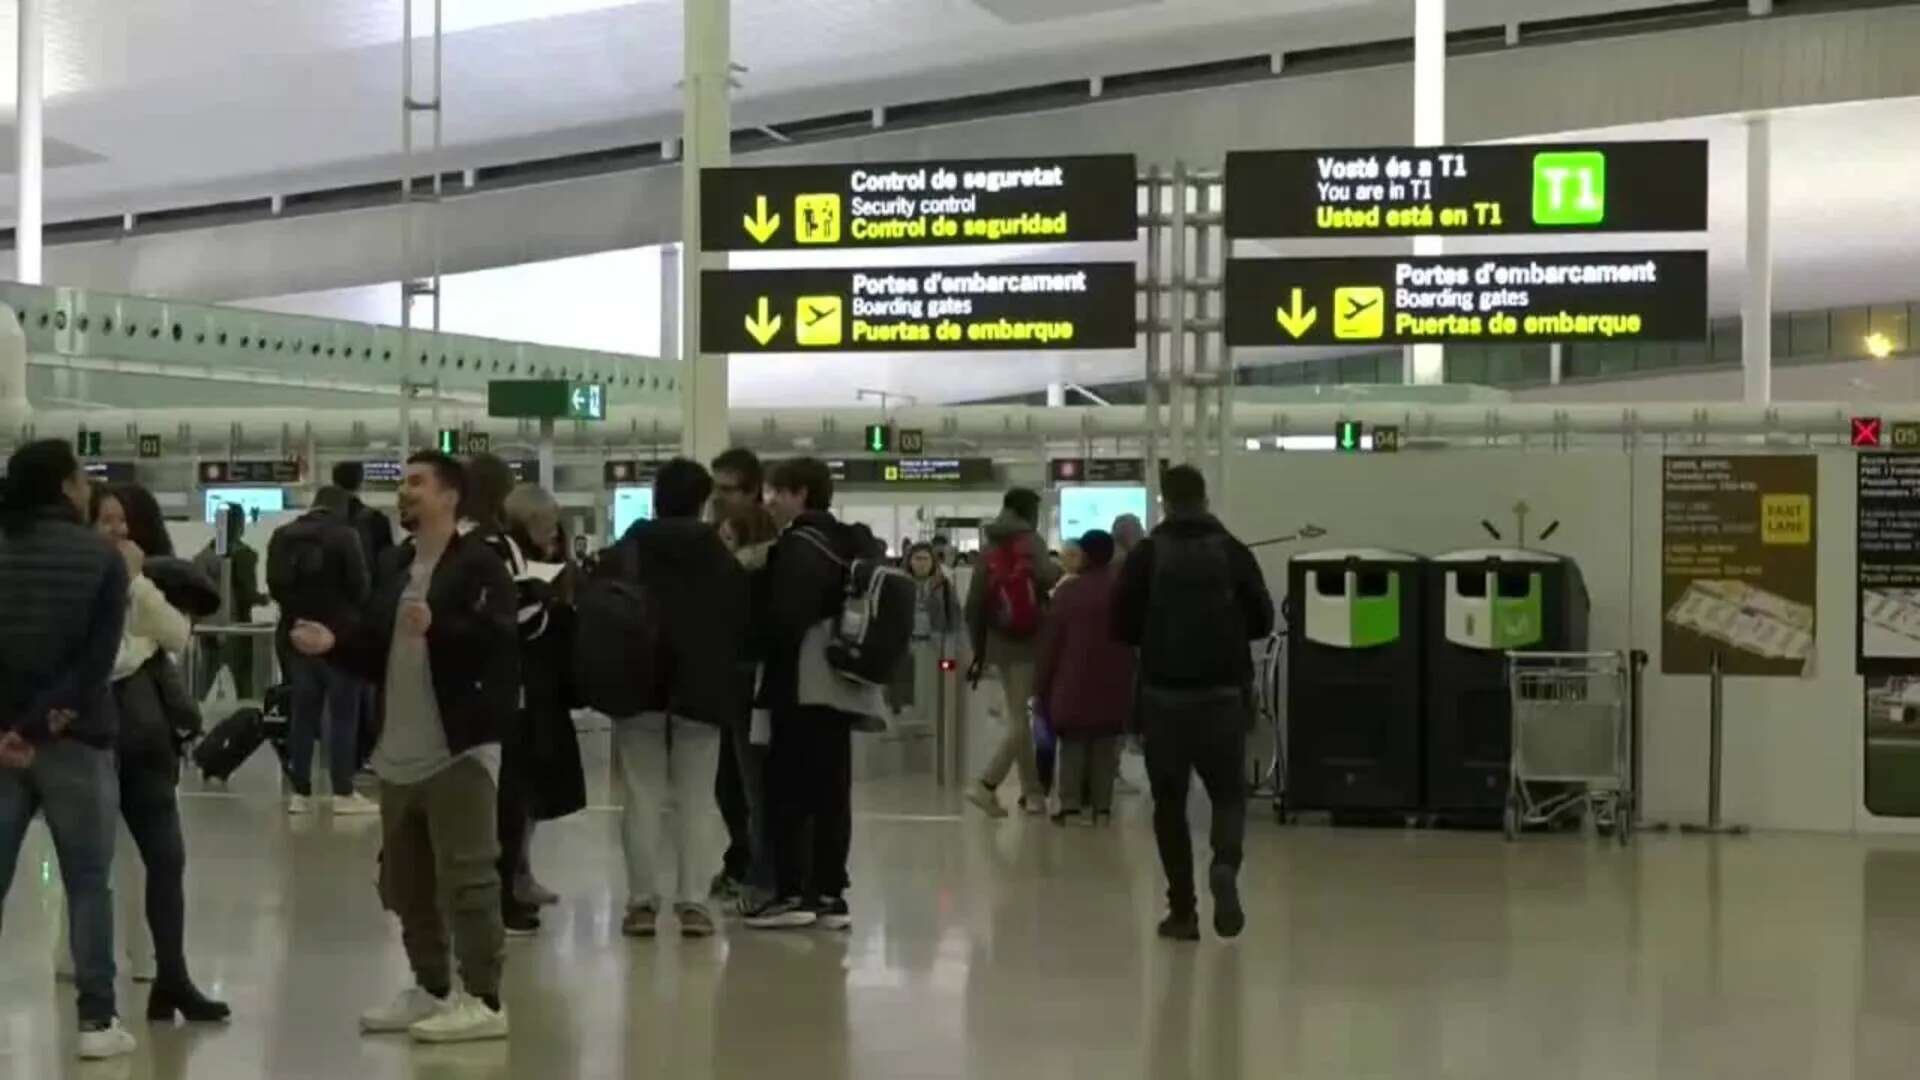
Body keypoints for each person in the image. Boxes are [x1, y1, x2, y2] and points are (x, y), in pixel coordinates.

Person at [288, 451, 517, 1043]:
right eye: (405, 484)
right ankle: (432, 986)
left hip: (458, 750)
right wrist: (332, 643)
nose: (407, 493)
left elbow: (499, 644)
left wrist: (438, 627)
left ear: (450, 497)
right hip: (397, 751)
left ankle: (485, 999)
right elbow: (372, 646)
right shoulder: (394, 565)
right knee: (407, 881)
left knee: (468, 878)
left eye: (418, 483)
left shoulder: (480, 566)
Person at [0, 439, 136, 1059]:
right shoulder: (101, 560)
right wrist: (39, 726)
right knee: (87, 882)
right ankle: (96, 1022)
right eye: (82, 480)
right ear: (62, 487)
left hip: (1, 748)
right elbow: (93, 666)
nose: (87, 490)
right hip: (75, 740)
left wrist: (9, 731)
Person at [1112, 465, 1273, 942]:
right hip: (1223, 696)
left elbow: (1119, 626)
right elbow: (1262, 620)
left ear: (1164, 502)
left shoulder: (1145, 555)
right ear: (1204, 499)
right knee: (1227, 795)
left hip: (1163, 698)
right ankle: (1224, 864)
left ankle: (1182, 911)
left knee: (1169, 804)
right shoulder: (1232, 552)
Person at [91, 483, 231, 1023]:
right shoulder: (76, 581)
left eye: (124, 522)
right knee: (90, 868)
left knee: (167, 859)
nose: (118, 531)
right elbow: (109, 658)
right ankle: (96, 990)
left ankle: (173, 977)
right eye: (106, 520)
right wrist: (142, 643)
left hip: (145, 740)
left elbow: (177, 635)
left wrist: (138, 587)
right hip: (93, 738)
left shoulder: (146, 580)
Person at [607, 459, 748, 938]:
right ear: (701, 501)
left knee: (642, 796)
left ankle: (641, 904)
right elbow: (738, 620)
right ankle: (692, 903)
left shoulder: (630, 546)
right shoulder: (716, 553)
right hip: (702, 687)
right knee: (696, 797)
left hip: (637, 683)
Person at [743, 456, 867, 931]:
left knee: (788, 787)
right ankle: (830, 893)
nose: (769, 501)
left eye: (777, 492)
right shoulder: (845, 539)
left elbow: (785, 619)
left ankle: (793, 891)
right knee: (832, 788)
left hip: (798, 681)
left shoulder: (799, 545)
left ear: (801, 494)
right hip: (836, 682)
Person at [460, 453, 549, 937]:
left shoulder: (447, 540)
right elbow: (525, 618)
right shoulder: (503, 544)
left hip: (452, 687)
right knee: (507, 796)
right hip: (500, 686)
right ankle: (503, 897)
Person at [268, 485, 376, 815]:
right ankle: (342, 791)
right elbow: (361, 587)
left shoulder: (282, 535)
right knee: (342, 714)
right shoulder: (345, 535)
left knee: (303, 711)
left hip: (296, 633)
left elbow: (274, 585)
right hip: (338, 636)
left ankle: (299, 790)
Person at [502, 483, 584, 910]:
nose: (551, 532)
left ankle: (522, 870)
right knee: (517, 791)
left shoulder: (559, 565)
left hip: (548, 689)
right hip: (523, 688)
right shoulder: (509, 567)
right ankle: (512, 875)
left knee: (534, 790)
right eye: (543, 523)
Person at [963, 487, 1060, 818]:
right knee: (1021, 722)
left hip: (998, 643)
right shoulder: (1032, 542)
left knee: (1020, 715)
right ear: (1029, 512)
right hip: (1029, 640)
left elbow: (974, 603)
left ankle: (1033, 794)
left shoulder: (989, 546)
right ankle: (986, 784)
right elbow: (1048, 578)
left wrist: (980, 650)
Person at [1036, 530, 1131, 826]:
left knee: (1073, 745)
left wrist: (1042, 687)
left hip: (1073, 679)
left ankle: (1071, 806)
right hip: (1116, 680)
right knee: (1106, 745)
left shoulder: (1068, 592)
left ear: (1085, 555)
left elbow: (1052, 643)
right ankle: (1102, 808)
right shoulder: (1124, 591)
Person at [715, 498, 779, 910]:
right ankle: (751, 868)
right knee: (742, 785)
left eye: (725, 536)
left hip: (746, 687)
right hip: (749, 687)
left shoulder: (742, 575)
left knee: (754, 787)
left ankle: (762, 878)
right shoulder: (771, 571)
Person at [706, 446, 764, 902]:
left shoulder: (769, 545)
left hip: (754, 676)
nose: (719, 497)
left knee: (752, 779)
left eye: (728, 489)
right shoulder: (712, 536)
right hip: (722, 677)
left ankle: (755, 867)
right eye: (716, 488)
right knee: (728, 780)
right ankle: (742, 856)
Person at [193, 503, 263, 700]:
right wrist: (264, 599)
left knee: (204, 681)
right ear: (239, 524)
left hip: (208, 628)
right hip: (238, 628)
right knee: (245, 684)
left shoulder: (203, 556)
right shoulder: (245, 555)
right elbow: (247, 594)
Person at [888, 542, 955, 714]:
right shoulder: (899, 583)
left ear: (933, 561)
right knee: (904, 686)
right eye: (917, 558)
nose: (922, 563)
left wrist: (952, 641)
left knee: (933, 687)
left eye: (925, 559)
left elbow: (953, 614)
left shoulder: (944, 585)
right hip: (906, 643)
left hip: (935, 643)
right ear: (909, 561)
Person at [335, 460, 396, 569]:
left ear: (334, 484)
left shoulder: (323, 519)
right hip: (369, 583)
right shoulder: (377, 519)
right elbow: (387, 561)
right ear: (361, 483)